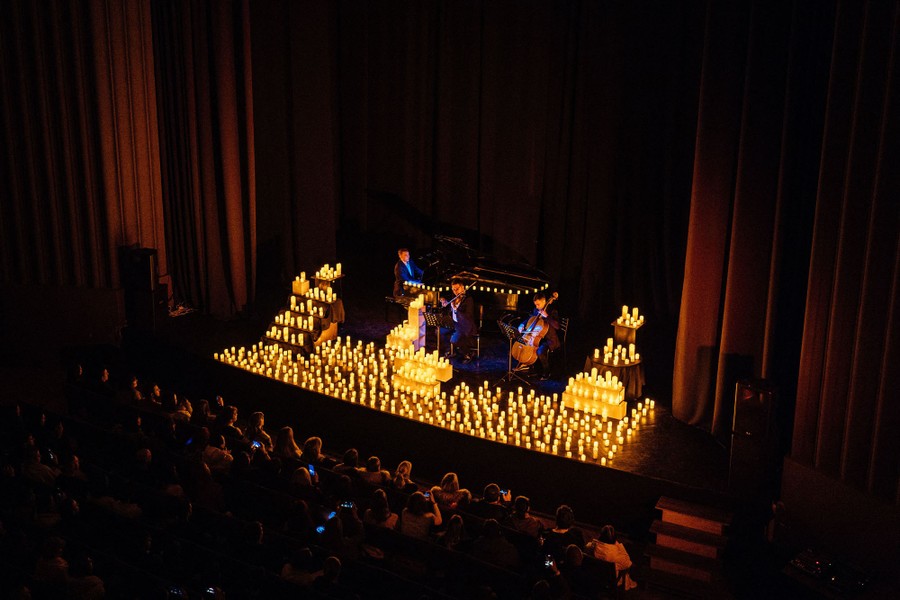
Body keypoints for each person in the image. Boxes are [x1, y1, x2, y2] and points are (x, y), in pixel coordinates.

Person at [515, 291, 559, 379]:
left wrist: (547, 316)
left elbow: (557, 326)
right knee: (527, 344)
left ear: (544, 301)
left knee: (539, 351)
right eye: (535, 305)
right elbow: (530, 319)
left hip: (550, 339)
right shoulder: (536, 310)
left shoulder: (552, 311)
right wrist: (522, 324)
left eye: (538, 304)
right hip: (538, 337)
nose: (536, 307)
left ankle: (547, 373)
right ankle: (529, 366)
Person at [585, 524, 638, 591]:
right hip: (609, 581)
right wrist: (618, 545)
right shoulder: (615, 555)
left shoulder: (590, 547)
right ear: (614, 538)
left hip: (594, 577)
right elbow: (628, 563)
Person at [441, 278, 477, 363]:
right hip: (454, 323)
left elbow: (468, 315)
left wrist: (457, 310)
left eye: (457, 289)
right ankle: (451, 350)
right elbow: (443, 297)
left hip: (465, 325)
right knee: (439, 332)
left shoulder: (468, 299)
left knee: (455, 340)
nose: (455, 292)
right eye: (453, 289)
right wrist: (443, 300)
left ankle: (468, 353)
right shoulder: (454, 296)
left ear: (462, 287)